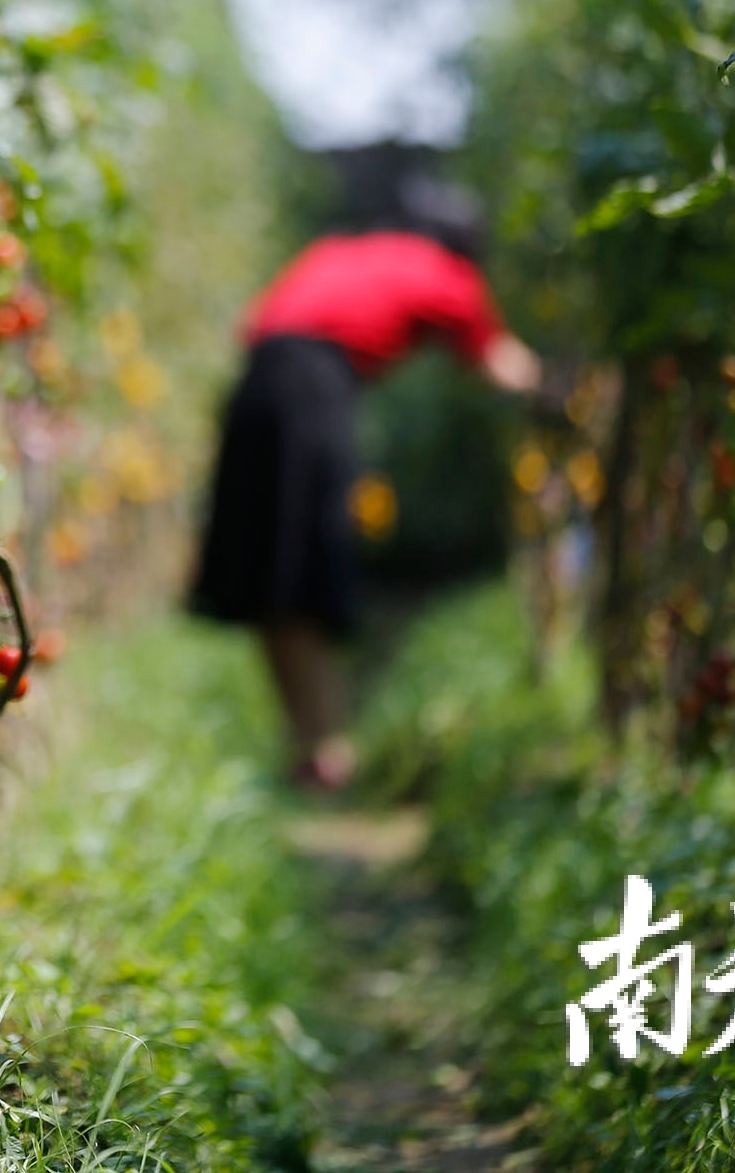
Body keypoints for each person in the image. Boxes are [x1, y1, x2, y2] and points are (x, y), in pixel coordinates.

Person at [188, 192, 538, 789]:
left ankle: (312, 751)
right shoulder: (442, 271)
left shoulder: (338, 251)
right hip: (312, 392)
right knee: (302, 575)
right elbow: (498, 363)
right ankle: (330, 752)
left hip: (255, 387)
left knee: (271, 578)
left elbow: (252, 322)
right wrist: (561, 395)